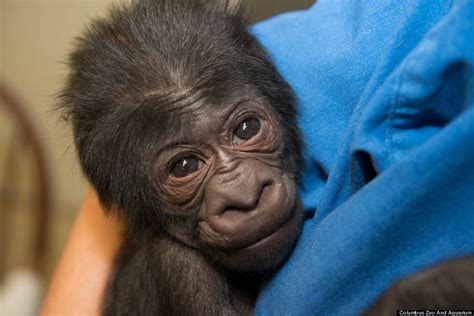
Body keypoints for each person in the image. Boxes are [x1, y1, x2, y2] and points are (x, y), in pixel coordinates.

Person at [42, 0, 474, 315]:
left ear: (283, 104)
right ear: (137, 205)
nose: (245, 191)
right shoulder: (179, 272)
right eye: (185, 166)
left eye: (247, 129)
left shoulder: (280, 65)